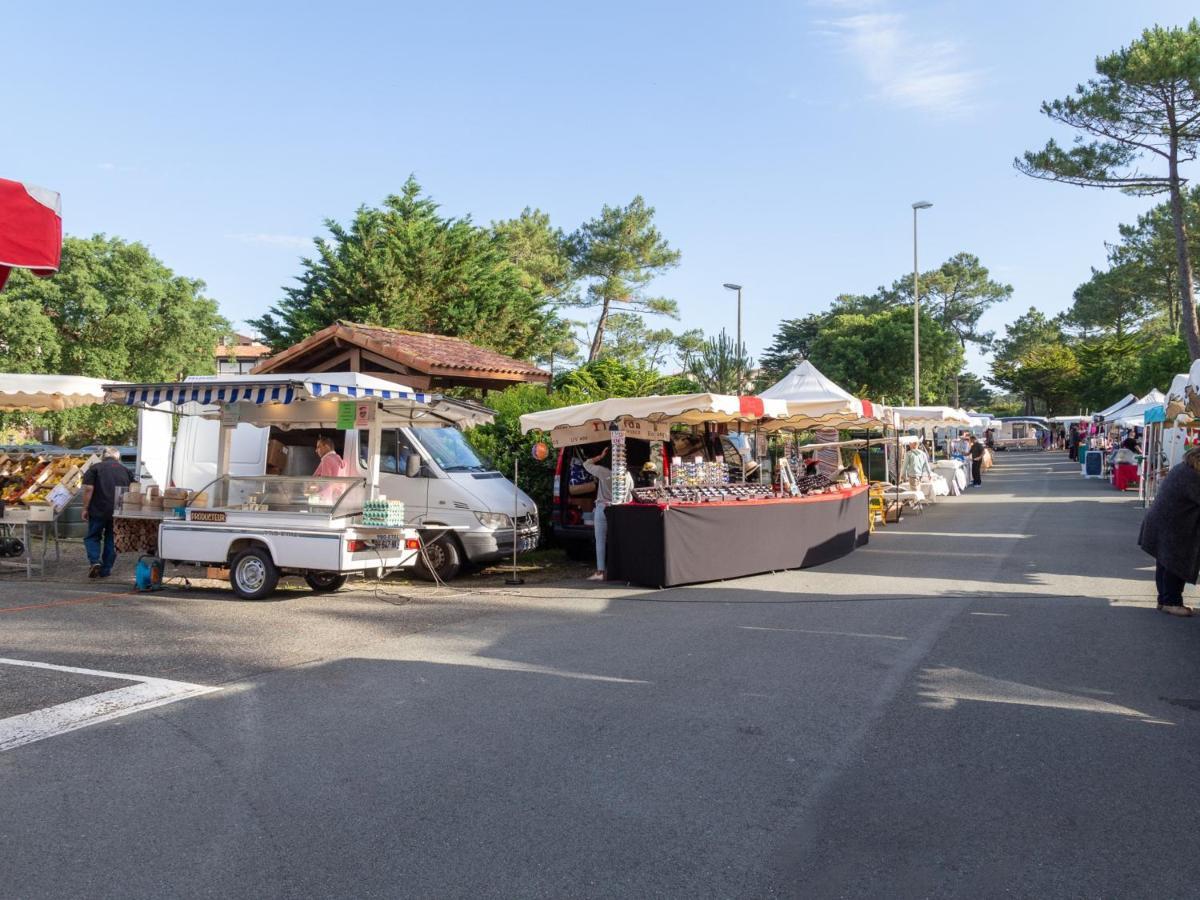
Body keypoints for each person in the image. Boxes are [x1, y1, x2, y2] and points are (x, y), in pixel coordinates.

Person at [1138, 447, 1200, 616]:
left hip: (1163, 522)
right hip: (1173, 525)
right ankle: (1172, 602)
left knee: (1165, 561)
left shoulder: (1184, 468)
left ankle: (1164, 600)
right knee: (1175, 561)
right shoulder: (1193, 475)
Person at [582, 446, 634, 582]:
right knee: (620, 541)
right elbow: (631, 494)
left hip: (602, 508)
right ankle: (622, 570)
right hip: (619, 509)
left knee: (600, 541)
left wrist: (599, 456)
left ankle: (600, 571)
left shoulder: (602, 471)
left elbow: (586, 464)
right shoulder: (627, 475)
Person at [81, 447, 133, 578]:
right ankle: (106, 570)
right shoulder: (126, 470)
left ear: (103, 457)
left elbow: (88, 489)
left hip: (98, 510)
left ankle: (95, 562)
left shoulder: (95, 468)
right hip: (118, 511)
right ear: (118, 458)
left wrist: (85, 508)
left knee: (92, 537)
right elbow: (133, 490)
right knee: (112, 539)